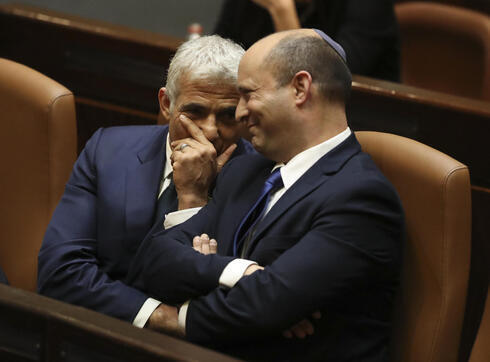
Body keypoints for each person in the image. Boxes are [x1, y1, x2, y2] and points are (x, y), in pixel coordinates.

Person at [127, 29, 405, 361]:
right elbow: (152, 260)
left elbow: (262, 306)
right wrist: (238, 272)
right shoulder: (246, 171)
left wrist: (173, 317)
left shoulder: (361, 198)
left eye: (247, 95)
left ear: (300, 89)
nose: (240, 113)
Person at [37, 35, 254, 330]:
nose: (210, 131)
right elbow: (59, 272)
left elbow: (245, 306)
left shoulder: (262, 180)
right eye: (195, 112)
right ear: (166, 104)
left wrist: (194, 197)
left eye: (228, 116)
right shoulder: (108, 151)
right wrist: (163, 316)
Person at [214, 0, 400, 82]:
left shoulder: (370, 4)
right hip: (260, 109)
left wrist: (282, 10)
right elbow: (219, 55)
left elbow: (329, 78)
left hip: (359, 122)